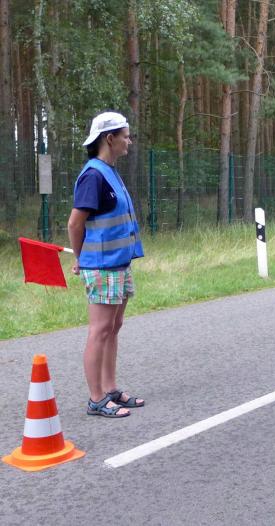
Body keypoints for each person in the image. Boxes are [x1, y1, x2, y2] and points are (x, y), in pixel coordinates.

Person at [67, 111, 145, 418]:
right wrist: (80, 258)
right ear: (109, 139)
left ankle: (110, 389)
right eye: (125, 136)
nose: (129, 141)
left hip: (119, 264)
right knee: (100, 330)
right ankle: (96, 398)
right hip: (101, 266)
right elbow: (75, 224)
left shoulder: (109, 172)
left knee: (114, 327)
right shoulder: (94, 175)